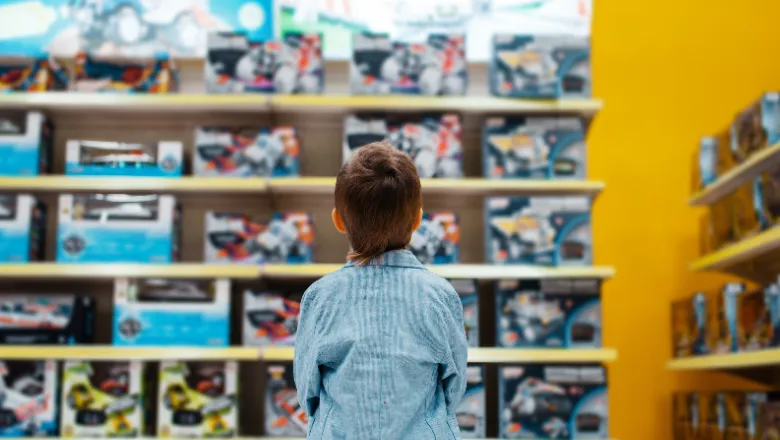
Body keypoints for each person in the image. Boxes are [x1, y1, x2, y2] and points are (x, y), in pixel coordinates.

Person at [294, 141, 468, 439]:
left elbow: (307, 390)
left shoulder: (320, 297)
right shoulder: (440, 295)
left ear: (337, 220)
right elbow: (454, 386)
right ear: (417, 220)